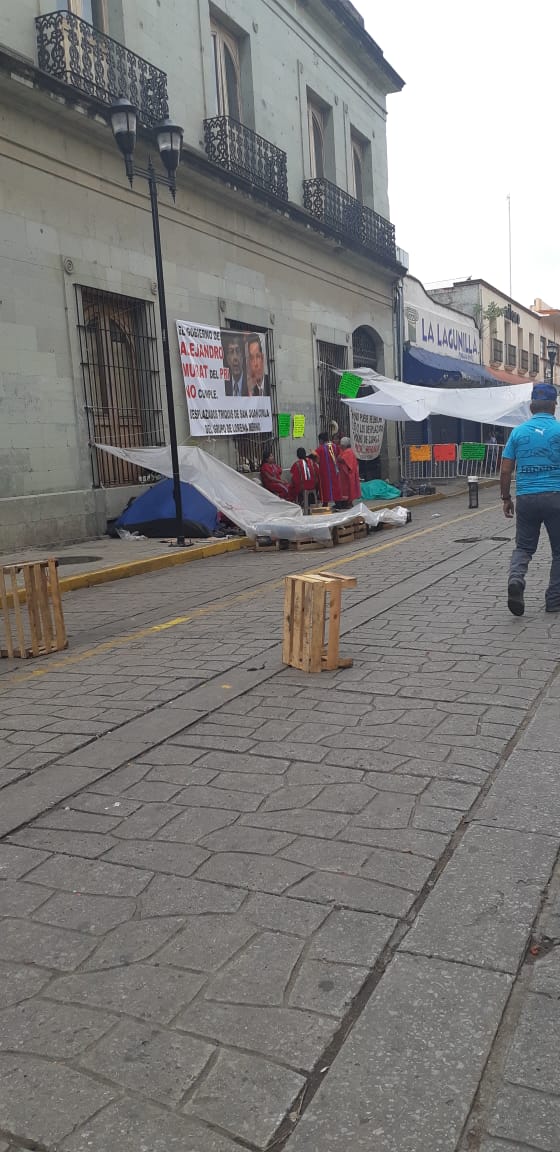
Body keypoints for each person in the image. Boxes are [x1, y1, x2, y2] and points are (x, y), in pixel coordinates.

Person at [500, 382, 560, 616]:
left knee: (524, 547)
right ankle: (554, 600)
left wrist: (506, 498)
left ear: (532, 407)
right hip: (556, 496)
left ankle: (516, 579)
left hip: (526, 497)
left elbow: (505, 470)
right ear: (554, 406)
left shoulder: (518, 432)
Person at [315, 431, 342, 505]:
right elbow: (339, 456)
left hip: (325, 472)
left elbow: (316, 460)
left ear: (321, 440)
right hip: (335, 471)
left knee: (325, 488)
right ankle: (338, 503)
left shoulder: (320, 449)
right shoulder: (335, 446)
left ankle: (325, 503)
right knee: (336, 486)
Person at [338, 436, 361, 506]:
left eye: (341, 445)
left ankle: (348, 503)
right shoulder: (347, 451)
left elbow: (342, 460)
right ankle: (347, 503)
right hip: (346, 475)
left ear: (344, 445)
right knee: (346, 490)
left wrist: (338, 457)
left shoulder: (348, 451)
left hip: (348, 475)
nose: (340, 446)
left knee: (347, 490)